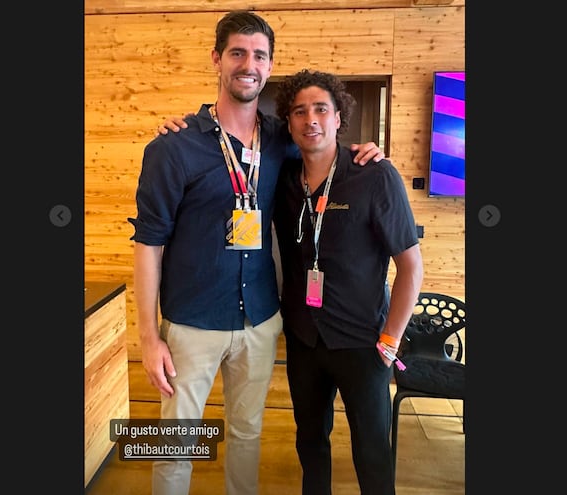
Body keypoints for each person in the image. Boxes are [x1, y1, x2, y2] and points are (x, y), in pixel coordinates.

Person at [129, 11, 385, 495]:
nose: (249, 64)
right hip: (191, 325)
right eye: (238, 53)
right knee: (174, 446)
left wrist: (365, 152)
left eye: (260, 56)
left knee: (248, 434)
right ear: (217, 59)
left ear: (269, 67)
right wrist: (148, 337)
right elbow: (148, 245)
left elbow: (324, 143)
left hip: (260, 322)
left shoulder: (282, 141)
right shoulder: (174, 148)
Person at [271, 69, 423, 495]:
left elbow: (411, 268)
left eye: (321, 108)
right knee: (310, 445)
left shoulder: (374, 175)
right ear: (289, 122)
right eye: (299, 111)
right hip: (304, 340)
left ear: (339, 117)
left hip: (364, 344)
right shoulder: (283, 178)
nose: (310, 119)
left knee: (372, 453)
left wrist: (390, 341)